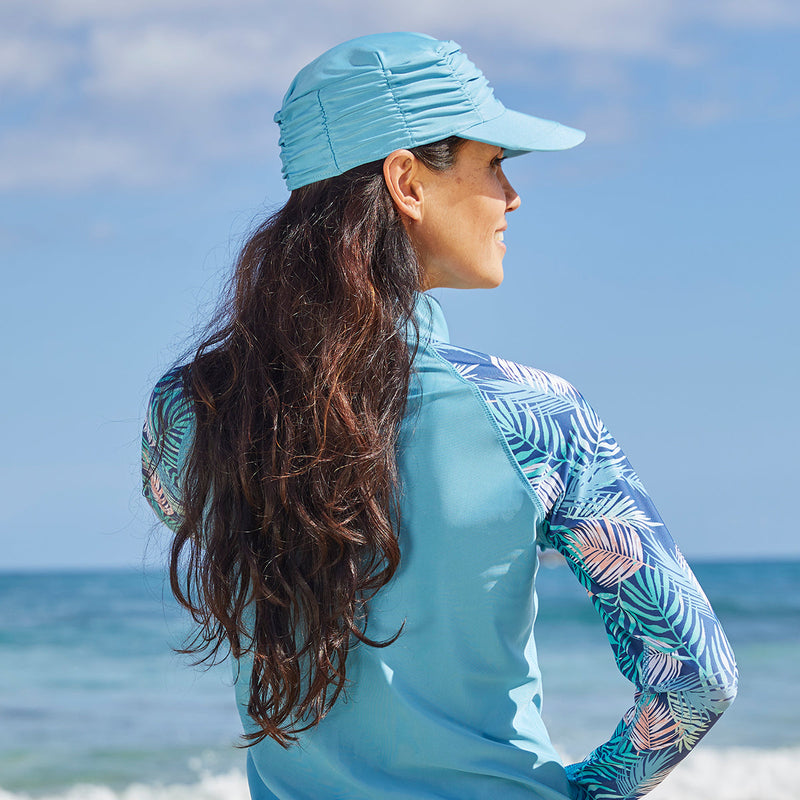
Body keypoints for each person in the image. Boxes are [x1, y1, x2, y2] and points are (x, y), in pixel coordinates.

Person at [142, 32, 737, 800]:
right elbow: (695, 679)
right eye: (494, 164)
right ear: (408, 183)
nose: (513, 197)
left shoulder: (188, 412)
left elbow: (187, 510)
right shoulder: (538, 418)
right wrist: (581, 792)